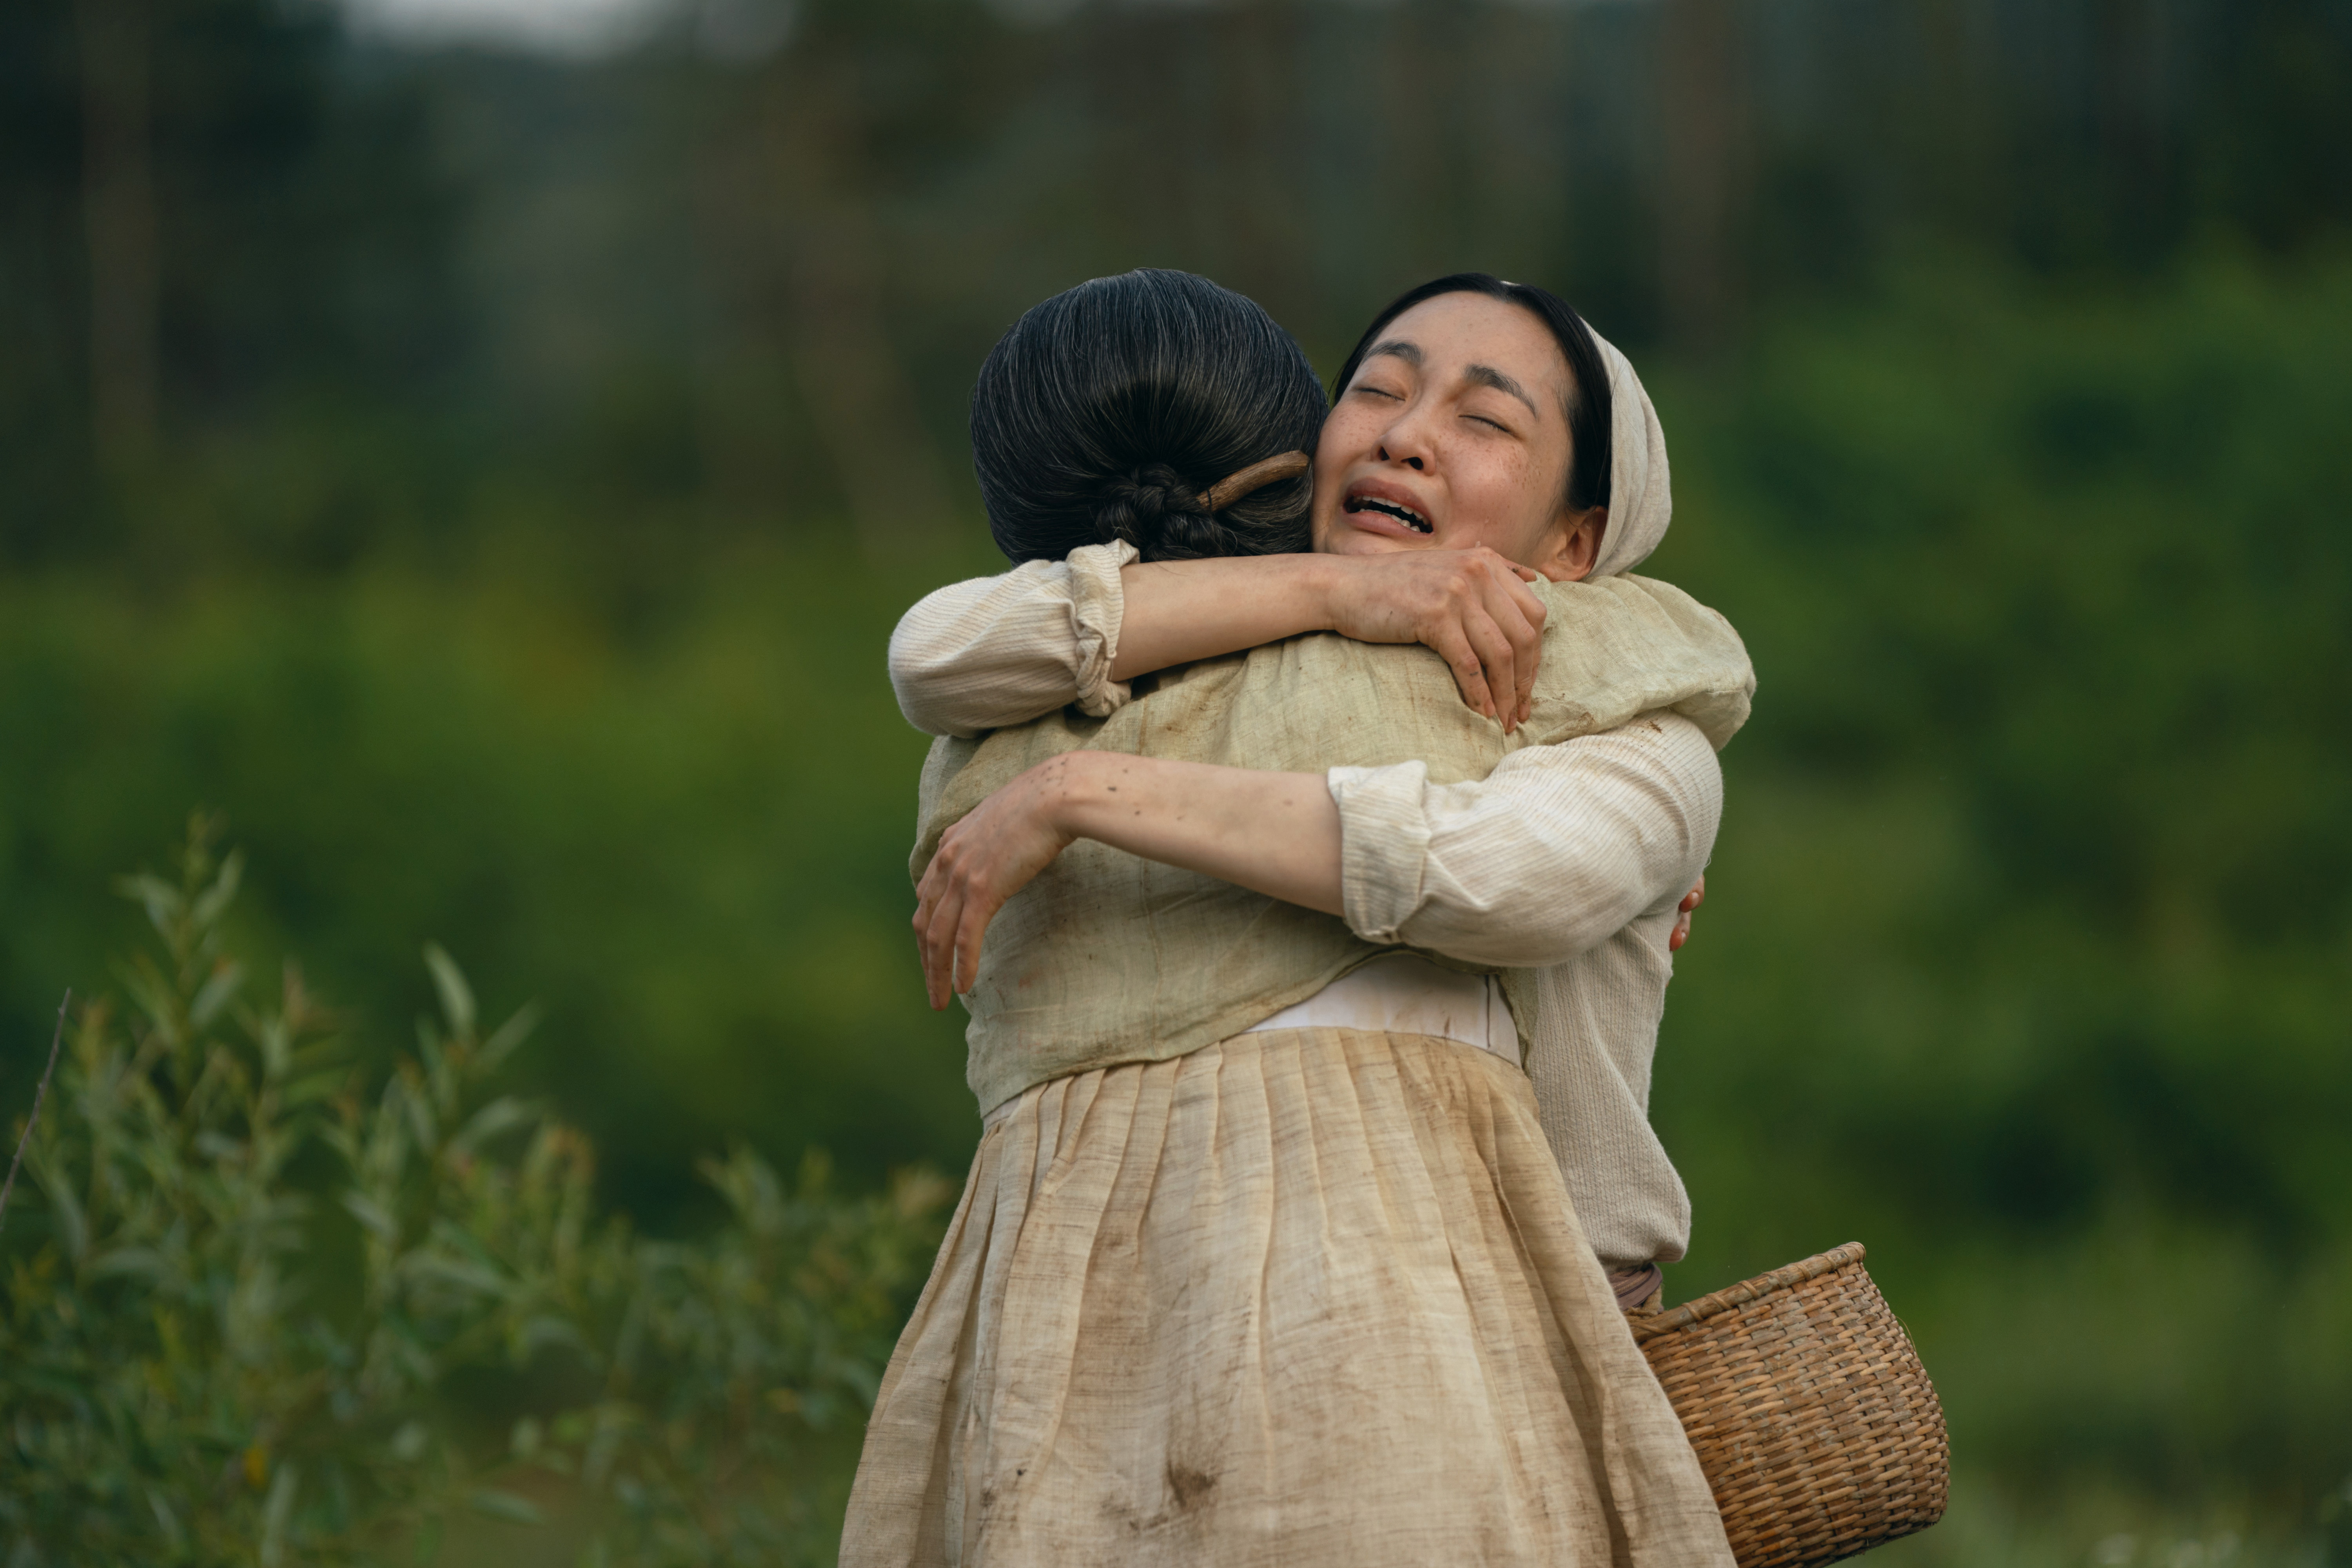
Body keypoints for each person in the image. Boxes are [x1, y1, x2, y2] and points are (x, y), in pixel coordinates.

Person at [840, 270, 1745, 1568]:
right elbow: (936, 651)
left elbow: (1507, 877)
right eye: (1375, 388)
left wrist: (1083, 792)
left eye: (1486, 421)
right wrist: (1346, 595)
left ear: (1575, 544)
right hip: (1071, 1311)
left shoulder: (1634, 717)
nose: (1404, 430)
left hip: (1421, 1311)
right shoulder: (1175, 653)